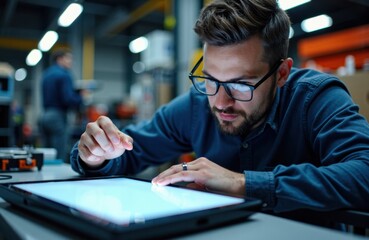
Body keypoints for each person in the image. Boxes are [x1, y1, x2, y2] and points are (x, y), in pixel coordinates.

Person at [70, 0, 369, 215]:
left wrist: (243, 183)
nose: (221, 102)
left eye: (241, 84)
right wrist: (97, 155)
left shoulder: (315, 98)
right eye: (211, 79)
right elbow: (127, 155)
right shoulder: (196, 104)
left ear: (281, 74)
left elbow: (364, 174)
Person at [41, 49, 85, 160]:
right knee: (58, 154)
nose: (70, 61)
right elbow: (68, 99)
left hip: (45, 115)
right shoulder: (65, 75)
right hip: (58, 117)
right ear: (60, 59)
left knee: (47, 154)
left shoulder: (46, 74)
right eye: (68, 58)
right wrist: (81, 97)